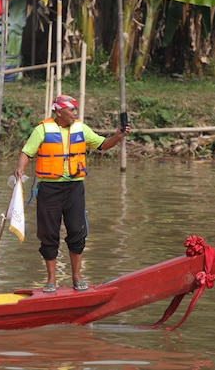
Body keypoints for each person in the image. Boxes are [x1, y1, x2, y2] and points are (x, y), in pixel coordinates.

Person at [14, 94, 130, 293]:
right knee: (48, 234)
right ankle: (51, 279)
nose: (75, 114)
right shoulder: (42, 129)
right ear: (58, 112)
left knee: (77, 231)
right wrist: (20, 168)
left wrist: (117, 137)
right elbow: (26, 152)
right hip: (49, 189)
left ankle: (77, 276)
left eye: (75, 110)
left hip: (74, 188)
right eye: (71, 111)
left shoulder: (81, 128)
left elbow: (102, 145)